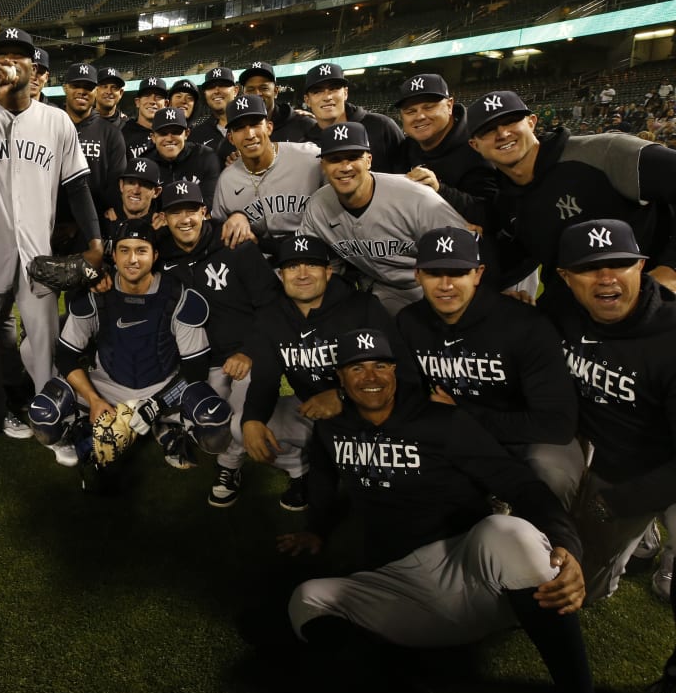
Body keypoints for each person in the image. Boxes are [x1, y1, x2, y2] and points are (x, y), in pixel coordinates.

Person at [281, 327, 618, 693]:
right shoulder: (333, 428)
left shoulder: (443, 422)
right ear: (340, 377)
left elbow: (521, 486)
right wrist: (316, 529)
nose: (371, 376)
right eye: (357, 367)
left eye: (380, 365)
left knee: (506, 530)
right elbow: (324, 476)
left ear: (395, 371)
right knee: (306, 601)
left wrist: (568, 544)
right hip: (397, 586)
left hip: (473, 574)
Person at [0, 27, 104, 470]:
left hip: (38, 255)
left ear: (36, 69)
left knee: (44, 347)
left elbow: (78, 186)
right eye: (2, 56)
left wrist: (94, 243)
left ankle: (53, 424)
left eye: (20, 56)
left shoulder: (55, 121)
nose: (11, 63)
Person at [544, 219, 676, 693]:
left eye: (619, 264)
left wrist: (622, 502)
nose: (605, 279)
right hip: (625, 459)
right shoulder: (560, 310)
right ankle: (636, 540)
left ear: (641, 266)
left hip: (662, 467)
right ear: (563, 277)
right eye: (587, 269)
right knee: (587, 589)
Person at [396, 227, 584, 504]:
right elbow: (408, 400)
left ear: (478, 274)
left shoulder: (525, 325)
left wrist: (463, 416)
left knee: (551, 469)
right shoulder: (408, 322)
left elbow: (558, 424)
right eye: (434, 273)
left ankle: (555, 538)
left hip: (524, 438)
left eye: (458, 272)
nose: (445, 284)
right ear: (418, 275)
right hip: (452, 435)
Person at [28, 218, 228, 472]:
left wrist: (156, 406)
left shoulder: (177, 295)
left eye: (141, 250)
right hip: (107, 386)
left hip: (162, 386)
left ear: (155, 255)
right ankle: (84, 432)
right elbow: (66, 356)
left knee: (213, 422)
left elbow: (195, 368)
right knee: (45, 414)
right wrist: (94, 399)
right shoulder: (96, 292)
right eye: (125, 250)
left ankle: (165, 425)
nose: (132, 259)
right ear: (114, 254)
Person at [241, 234, 403, 511]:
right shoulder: (271, 316)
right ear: (281, 274)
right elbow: (266, 378)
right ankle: (302, 469)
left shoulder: (363, 307)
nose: (302, 274)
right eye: (292, 267)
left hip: (372, 411)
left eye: (312, 265)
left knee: (384, 493)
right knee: (241, 426)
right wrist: (252, 419)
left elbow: (402, 374)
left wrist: (343, 396)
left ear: (328, 271)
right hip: (313, 412)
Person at [466, 89, 676, 291]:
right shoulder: (506, 200)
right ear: (475, 145)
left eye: (511, 121)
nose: (502, 133)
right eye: (488, 130)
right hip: (577, 317)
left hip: (653, 309)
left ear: (532, 123)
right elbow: (516, 260)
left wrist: (670, 268)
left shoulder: (605, 152)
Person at [156, 181, 280, 497]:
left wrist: (250, 352)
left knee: (240, 426)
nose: (184, 219)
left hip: (244, 356)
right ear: (164, 219)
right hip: (200, 361)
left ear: (205, 212)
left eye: (191, 211)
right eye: (174, 213)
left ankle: (230, 469)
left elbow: (273, 305)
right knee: (205, 425)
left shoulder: (236, 245)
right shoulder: (163, 256)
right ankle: (183, 430)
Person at [298, 121, 466, 314]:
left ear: (368, 160)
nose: (345, 167)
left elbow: (464, 251)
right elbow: (310, 260)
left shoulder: (415, 196)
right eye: (335, 159)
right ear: (323, 166)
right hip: (385, 290)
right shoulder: (318, 205)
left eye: (353, 157)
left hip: (436, 286)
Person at [211, 95, 321, 257]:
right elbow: (217, 226)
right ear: (231, 138)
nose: (249, 134)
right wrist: (235, 216)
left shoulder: (310, 157)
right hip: (264, 266)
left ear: (269, 127)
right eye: (240, 128)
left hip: (315, 256)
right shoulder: (227, 180)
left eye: (255, 124)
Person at [394, 73, 498, 227]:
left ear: (449, 106)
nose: (420, 116)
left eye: (429, 107)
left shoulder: (478, 145)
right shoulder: (406, 146)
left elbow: (492, 213)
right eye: (410, 111)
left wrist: (439, 190)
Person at [303, 62, 404, 173]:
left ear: (345, 93)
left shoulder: (382, 125)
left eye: (334, 89)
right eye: (318, 91)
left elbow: (408, 174)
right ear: (307, 100)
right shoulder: (306, 144)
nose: (327, 97)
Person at [61, 62, 127, 217]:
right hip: (52, 219)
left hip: (96, 219)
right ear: (65, 88)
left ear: (96, 91)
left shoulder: (111, 133)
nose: (82, 91)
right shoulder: (52, 126)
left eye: (88, 87)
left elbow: (116, 182)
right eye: (76, 85)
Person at [141, 106, 221, 210]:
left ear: (186, 134)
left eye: (176, 132)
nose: (169, 138)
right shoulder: (145, 163)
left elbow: (212, 201)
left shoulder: (205, 157)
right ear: (153, 137)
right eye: (163, 133)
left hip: (196, 221)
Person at [239, 60, 316, 143]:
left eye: (264, 88)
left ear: (275, 92)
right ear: (243, 94)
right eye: (250, 89)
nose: (257, 94)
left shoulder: (303, 124)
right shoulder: (236, 129)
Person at [103, 157, 162, 240]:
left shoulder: (162, 228)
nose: (135, 191)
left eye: (144, 185)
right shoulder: (103, 223)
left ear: (156, 192)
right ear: (121, 185)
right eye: (131, 182)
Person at [187, 67, 238, 165]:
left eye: (223, 85)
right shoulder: (196, 135)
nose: (216, 91)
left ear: (235, 90)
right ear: (205, 94)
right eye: (211, 87)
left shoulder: (252, 127)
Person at [121, 76, 169, 160]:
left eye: (158, 97)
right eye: (147, 95)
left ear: (166, 104)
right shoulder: (122, 134)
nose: (152, 101)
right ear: (137, 102)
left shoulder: (173, 133)